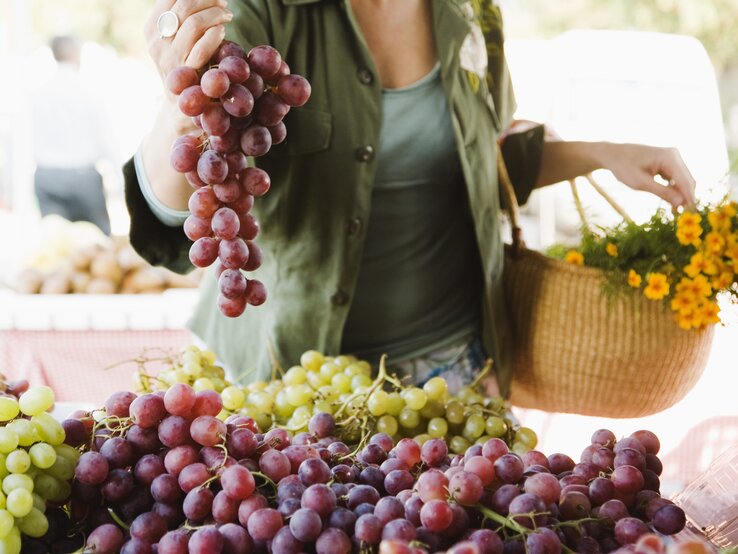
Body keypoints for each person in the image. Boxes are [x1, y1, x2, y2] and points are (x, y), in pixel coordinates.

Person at [125, 0, 697, 396]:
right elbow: (179, 206)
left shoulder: (472, 12)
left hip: (456, 369)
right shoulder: (259, 10)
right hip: (292, 383)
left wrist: (602, 153)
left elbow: (483, 158)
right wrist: (184, 96)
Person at [31, 35, 113, 235]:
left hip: (46, 174)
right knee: (98, 246)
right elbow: (106, 139)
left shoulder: (39, 92)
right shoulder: (87, 91)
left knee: (56, 245)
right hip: (82, 176)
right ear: (75, 54)